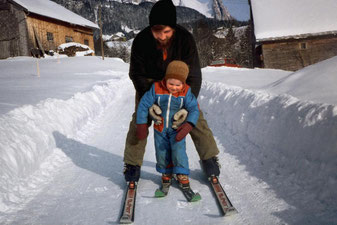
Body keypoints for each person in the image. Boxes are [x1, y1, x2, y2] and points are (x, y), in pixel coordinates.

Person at [123, 0, 220, 182]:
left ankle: (209, 159)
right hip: (150, 85)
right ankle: (132, 163)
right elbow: (136, 73)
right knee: (140, 119)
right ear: (151, 28)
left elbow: (194, 75)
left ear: (173, 28)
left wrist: (187, 104)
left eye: (166, 32)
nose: (161, 36)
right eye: (156, 32)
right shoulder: (141, 40)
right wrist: (149, 100)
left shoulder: (186, 40)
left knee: (195, 117)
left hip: (179, 85)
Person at [136, 60, 199, 191]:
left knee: (178, 150)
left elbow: (194, 109)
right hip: (160, 128)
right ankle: (166, 172)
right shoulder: (156, 88)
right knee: (161, 151)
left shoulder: (186, 92)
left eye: (178, 85)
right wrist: (141, 123)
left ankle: (181, 172)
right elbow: (143, 104)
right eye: (171, 83)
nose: (174, 87)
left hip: (177, 128)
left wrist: (189, 124)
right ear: (166, 79)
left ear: (184, 83)